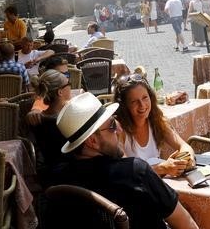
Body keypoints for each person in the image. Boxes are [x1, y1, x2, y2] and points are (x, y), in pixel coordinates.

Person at [51, 93, 198, 229]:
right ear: (92, 141)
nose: (119, 130)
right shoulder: (135, 172)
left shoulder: (57, 178)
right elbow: (187, 225)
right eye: (112, 126)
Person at [113, 73, 195, 177]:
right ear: (124, 106)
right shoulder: (119, 131)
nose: (142, 105)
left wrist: (187, 159)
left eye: (145, 98)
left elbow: (184, 146)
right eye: (134, 101)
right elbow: (126, 170)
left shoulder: (157, 121)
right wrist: (161, 168)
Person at [26, 69, 72, 182]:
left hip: (50, 172)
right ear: (60, 92)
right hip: (71, 171)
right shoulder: (67, 120)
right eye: (68, 84)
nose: (70, 87)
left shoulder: (38, 119)